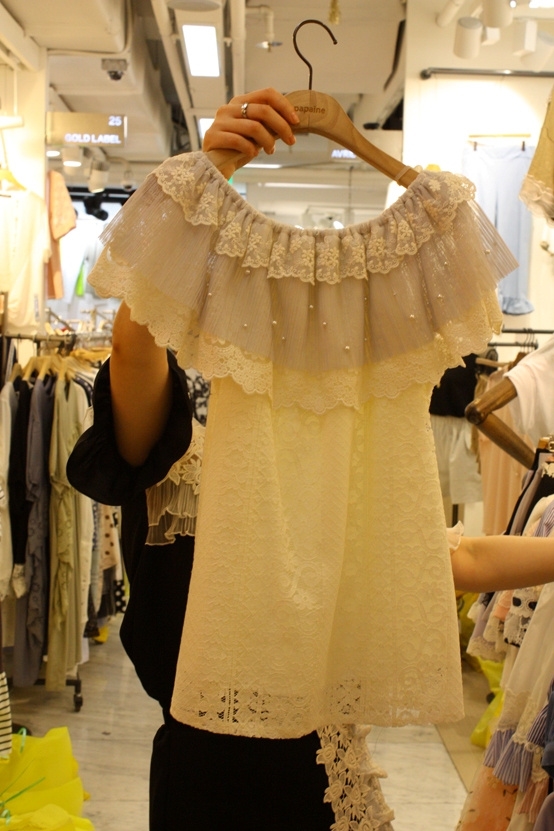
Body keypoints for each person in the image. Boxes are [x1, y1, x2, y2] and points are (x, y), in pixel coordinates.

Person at [67, 87, 554, 830]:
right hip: (206, 778)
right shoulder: (167, 430)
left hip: (329, 768)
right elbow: (134, 344)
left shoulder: (337, 449)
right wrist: (207, 171)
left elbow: (452, 558)